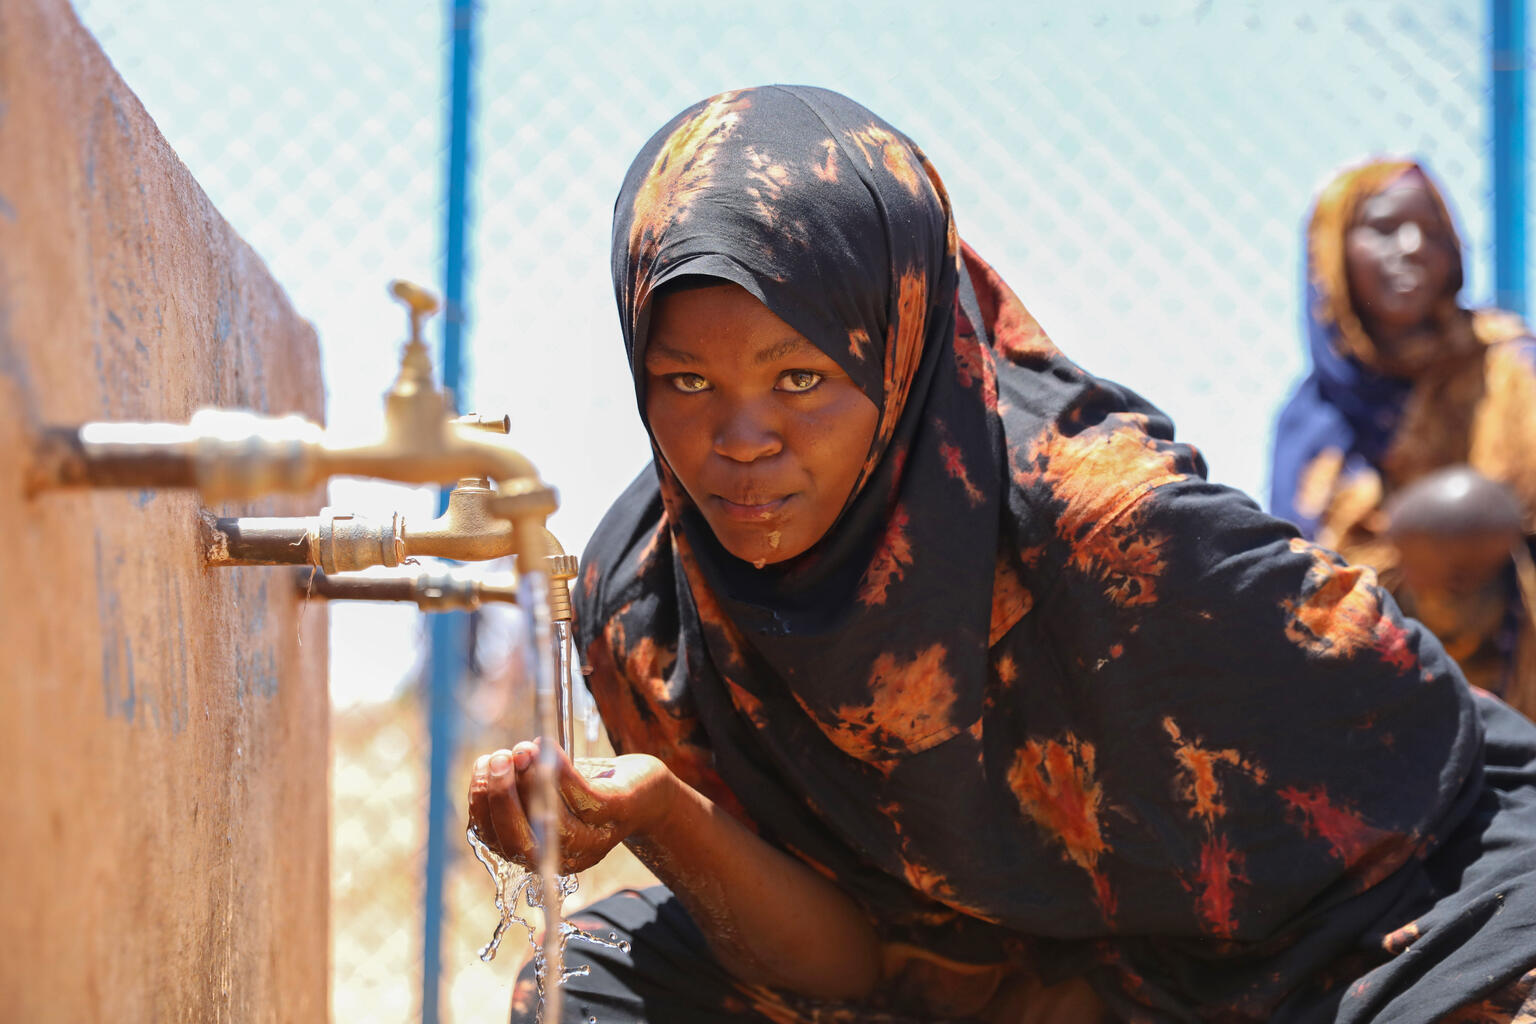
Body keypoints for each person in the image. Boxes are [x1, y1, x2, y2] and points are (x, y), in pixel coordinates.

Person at [468, 87, 1536, 1022]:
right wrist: (659, 810)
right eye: (686, 382)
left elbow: (1434, 786)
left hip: (1274, 962)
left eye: (799, 377)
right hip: (976, 982)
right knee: (590, 987)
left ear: (899, 350)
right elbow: (840, 967)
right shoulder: (656, 612)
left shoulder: (1106, 531)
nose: (741, 441)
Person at [1383, 465, 1536, 713]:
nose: (1399, 568)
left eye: (1411, 563)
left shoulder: (1519, 624)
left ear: (1459, 581)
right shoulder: (1392, 589)